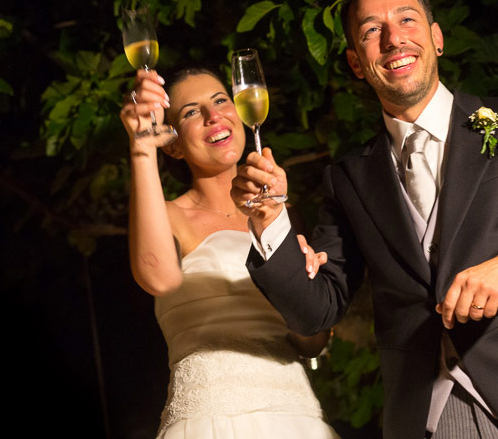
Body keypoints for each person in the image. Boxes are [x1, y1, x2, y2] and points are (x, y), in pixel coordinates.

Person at [233, 0, 498, 439]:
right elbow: (318, 310)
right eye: (372, 30)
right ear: (356, 61)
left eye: (406, 20)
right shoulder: (348, 178)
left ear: (437, 37)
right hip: (428, 419)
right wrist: (271, 220)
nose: (394, 39)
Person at [120, 67, 339, 438]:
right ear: (172, 144)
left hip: (295, 416)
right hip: (208, 420)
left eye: (221, 100)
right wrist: (141, 148)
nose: (213, 115)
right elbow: (156, 277)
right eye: (191, 111)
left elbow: (313, 341)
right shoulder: (170, 216)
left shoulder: (282, 214)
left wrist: (303, 282)